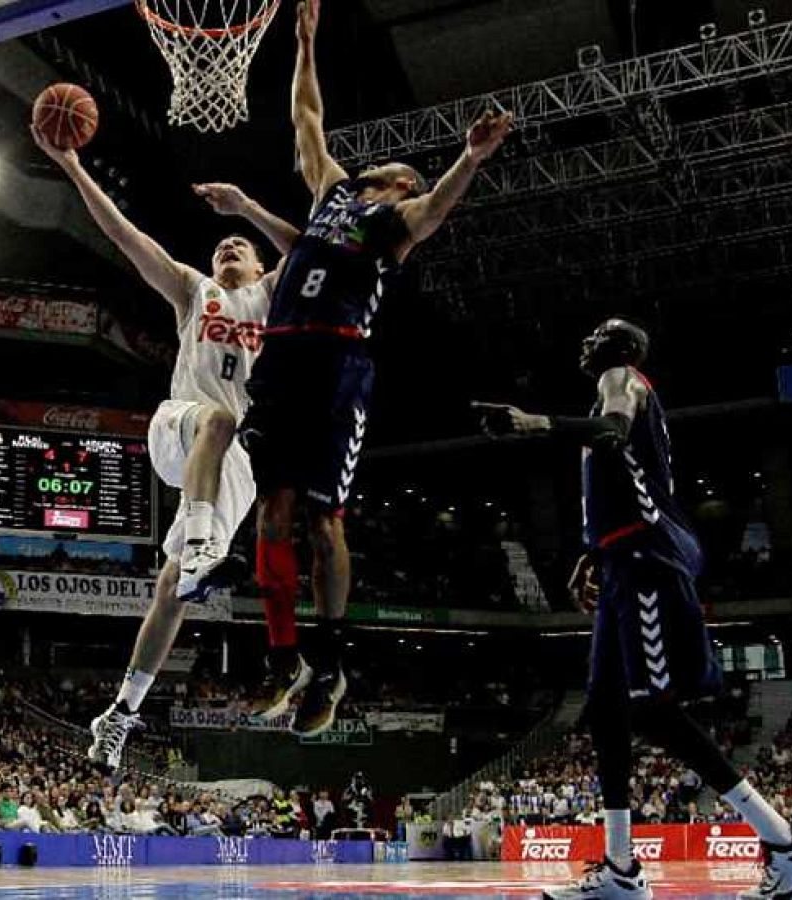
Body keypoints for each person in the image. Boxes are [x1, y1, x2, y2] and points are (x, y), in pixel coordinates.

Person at [473, 319, 792, 899]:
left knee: (654, 711)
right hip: (622, 558)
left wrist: (534, 422)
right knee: (605, 711)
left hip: (647, 561)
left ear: (624, 349)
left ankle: (787, 841)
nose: (585, 341)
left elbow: (613, 433)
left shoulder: (622, 378)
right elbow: (617, 479)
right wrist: (593, 555)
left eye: (597, 335)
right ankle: (620, 867)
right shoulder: (609, 390)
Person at [238, 0, 513, 736]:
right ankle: (284, 655)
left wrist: (470, 159)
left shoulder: (395, 220)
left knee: (324, 519)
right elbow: (307, 119)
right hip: (282, 354)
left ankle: (331, 661)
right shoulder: (332, 191)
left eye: (396, 174)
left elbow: (437, 210)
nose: (383, 172)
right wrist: (305, 41)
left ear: (401, 185)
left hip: (337, 361)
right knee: (271, 511)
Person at [32, 125, 299, 773]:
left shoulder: (269, 296)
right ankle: (206, 543)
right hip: (179, 427)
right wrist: (72, 165)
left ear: (258, 267)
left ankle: (120, 714)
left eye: (240, 246)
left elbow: (309, 249)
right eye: (221, 243)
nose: (228, 245)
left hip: (233, 465)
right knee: (217, 418)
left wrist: (247, 209)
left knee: (173, 587)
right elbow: (124, 235)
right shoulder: (193, 290)